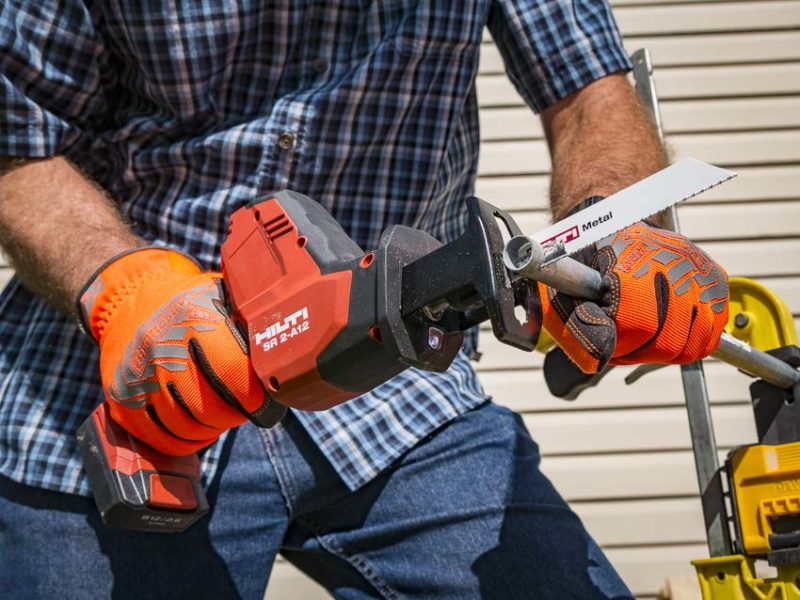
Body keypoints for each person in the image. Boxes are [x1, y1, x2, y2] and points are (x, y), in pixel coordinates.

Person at [0, 1, 728, 598]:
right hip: (139, 388)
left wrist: (614, 227)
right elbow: (17, 139)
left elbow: (591, 92)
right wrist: (129, 292)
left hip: (400, 388)